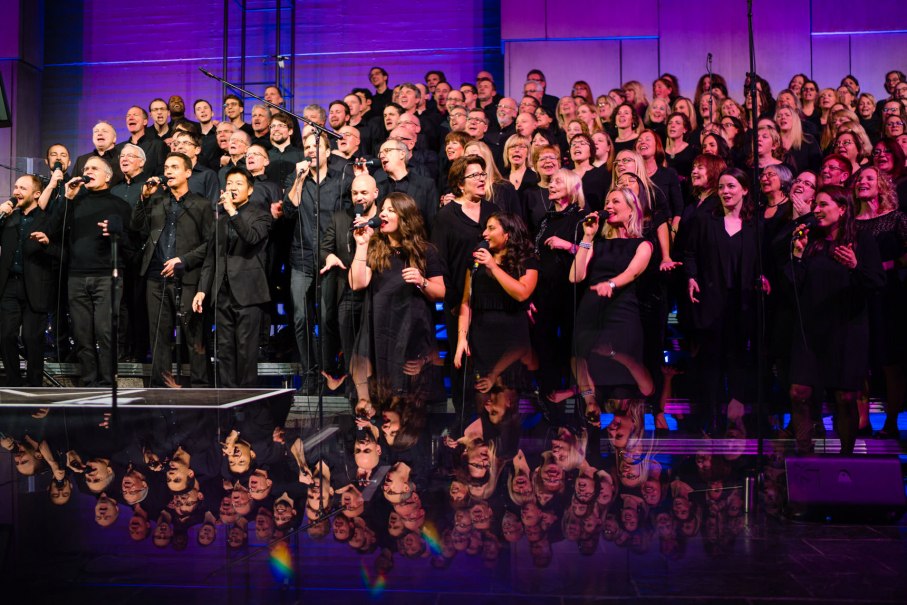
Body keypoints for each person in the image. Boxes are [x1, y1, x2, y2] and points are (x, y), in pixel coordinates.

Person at [787, 185, 884, 454]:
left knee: (845, 397)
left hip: (847, 328)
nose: (816, 211)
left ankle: (846, 458)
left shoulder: (862, 239)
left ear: (842, 209)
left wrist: (855, 266)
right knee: (799, 392)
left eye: (823, 205)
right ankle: (804, 454)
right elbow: (793, 285)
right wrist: (797, 255)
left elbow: (876, 282)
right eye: (815, 205)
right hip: (811, 328)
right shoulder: (810, 240)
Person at [684, 168, 768, 432]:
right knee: (711, 358)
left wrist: (764, 277)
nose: (725, 192)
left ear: (744, 190)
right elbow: (689, 252)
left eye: (731, 186)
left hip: (743, 302)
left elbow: (765, 260)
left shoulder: (756, 225)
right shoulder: (706, 221)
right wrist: (691, 276)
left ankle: (737, 411)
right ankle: (709, 414)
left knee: (738, 355)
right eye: (721, 187)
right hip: (713, 300)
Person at [349, 192, 445, 400]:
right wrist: (362, 245)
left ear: (405, 216)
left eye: (390, 210)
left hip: (412, 331)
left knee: (411, 396)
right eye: (382, 209)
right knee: (383, 394)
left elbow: (440, 293)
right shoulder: (375, 248)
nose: (382, 213)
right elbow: (357, 283)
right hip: (380, 329)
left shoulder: (425, 251)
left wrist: (422, 281)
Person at [570, 188, 653, 423]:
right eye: (607, 200)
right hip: (591, 311)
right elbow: (575, 277)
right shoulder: (597, 242)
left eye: (615, 201)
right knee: (582, 357)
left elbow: (632, 272)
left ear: (632, 210)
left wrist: (611, 284)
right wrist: (587, 237)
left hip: (621, 313)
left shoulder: (643, 244)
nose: (608, 205)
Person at [132, 152, 213, 387]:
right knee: (159, 333)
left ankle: (200, 386)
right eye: (166, 167)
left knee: (193, 334)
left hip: (187, 275)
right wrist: (144, 198)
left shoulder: (201, 204)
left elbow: (210, 244)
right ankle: (163, 384)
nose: (168, 171)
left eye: (174, 167)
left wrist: (184, 259)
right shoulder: (158, 202)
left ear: (188, 173)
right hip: (156, 275)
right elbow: (136, 226)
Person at [193, 167, 272, 387]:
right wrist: (202, 289)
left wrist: (233, 212)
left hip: (248, 293)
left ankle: (246, 401)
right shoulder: (220, 218)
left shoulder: (260, 214)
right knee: (224, 349)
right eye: (229, 183)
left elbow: (251, 237)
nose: (232, 188)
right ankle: (228, 400)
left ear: (250, 189)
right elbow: (211, 257)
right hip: (222, 292)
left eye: (238, 183)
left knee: (246, 351)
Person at [61, 157, 135, 386]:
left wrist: (117, 234)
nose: (88, 171)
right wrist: (67, 197)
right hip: (76, 276)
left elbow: (131, 247)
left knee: (105, 332)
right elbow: (57, 228)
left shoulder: (119, 206)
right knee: (82, 334)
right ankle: (89, 381)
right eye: (86, 168)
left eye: (94, 168)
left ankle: (107, 380)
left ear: (108, 176)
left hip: (106, 276)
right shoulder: (75, 202)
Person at [453, 213, 538, 391]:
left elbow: (522, 294)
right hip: (481, 339)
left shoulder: (527, 261)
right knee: (479, 391)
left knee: (508, 388)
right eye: (485, 228)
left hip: (513, 338)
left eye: (491, 228)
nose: (484, 233)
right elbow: (466, 302)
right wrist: (462, 338)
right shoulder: (476, 263)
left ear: (508, 233)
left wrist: (493, 266)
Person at [852, 166, 907, 439]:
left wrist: (883, 265)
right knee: (860, 360)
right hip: (858, 295)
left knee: (890, 361)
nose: (862, 181)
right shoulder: (850, 222)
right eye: (859, 178)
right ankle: (862, 420)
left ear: (882, 186)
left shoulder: (896, 219)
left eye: (869, 178)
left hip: (889, 297)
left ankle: (891, 421)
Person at [529, 168, 588, 401]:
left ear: (573, 188)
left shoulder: (581, 218)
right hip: (544, 290)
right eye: (551, 182)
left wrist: (568, 246)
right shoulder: (545, 219)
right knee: (543, 341)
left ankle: (573, 393)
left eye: (558, 182)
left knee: (569, 342)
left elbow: (591, 255)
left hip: (570, 291)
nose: (551, 185)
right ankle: (547, 393)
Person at [320, 174, 381, 385]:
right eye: (355, 193)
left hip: (377, 291)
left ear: (375, 193)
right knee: (350, 346)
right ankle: (353, 396)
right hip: (347, 290)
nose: (359, 197)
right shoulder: (341, 218)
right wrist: (330, 256)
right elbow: (324, 247)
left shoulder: (385, 219)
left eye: (364, 193)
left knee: (373, 347)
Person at [0, 176, 59, 386]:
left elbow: (62, 253)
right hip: (9, 285)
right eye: (15, 187)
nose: (17, 191)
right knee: (6, 335)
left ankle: (35, 385)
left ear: (36, 194)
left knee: (32, 339)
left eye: (22, 188)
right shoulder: (8, 218)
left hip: (36, 285)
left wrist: (46, 244)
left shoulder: (48, 219)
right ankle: (13, 383)